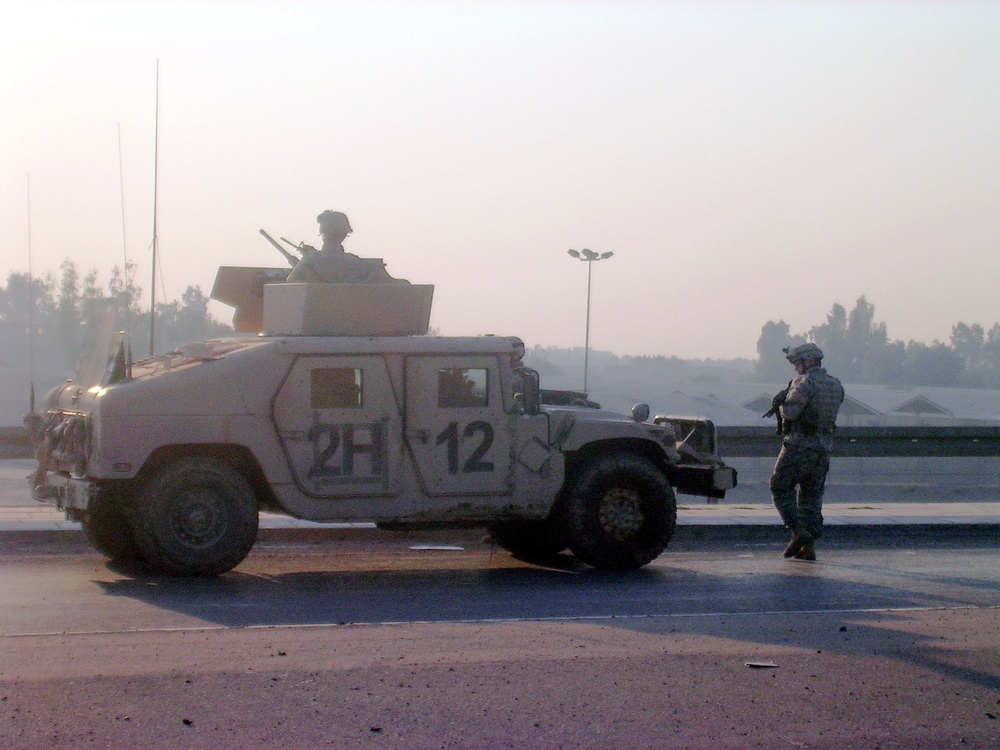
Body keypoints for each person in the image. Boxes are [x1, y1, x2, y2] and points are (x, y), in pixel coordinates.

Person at [768, 342, 845, 561]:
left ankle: (798, 532)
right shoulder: (835, 384)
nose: (795, 368)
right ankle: (808, 547)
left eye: (797, 363)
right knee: (811, 497)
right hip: (823, 449)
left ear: (808, 361)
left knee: (780, 486)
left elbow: (791, 413)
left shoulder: (804, 382)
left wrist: (781, 403)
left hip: (800, 445)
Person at [286, 211, 399, 284]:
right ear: (344, 234)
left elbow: (290, 284)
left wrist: (304, 261)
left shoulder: (311, 261)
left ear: (322, 234)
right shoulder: (359, 263)